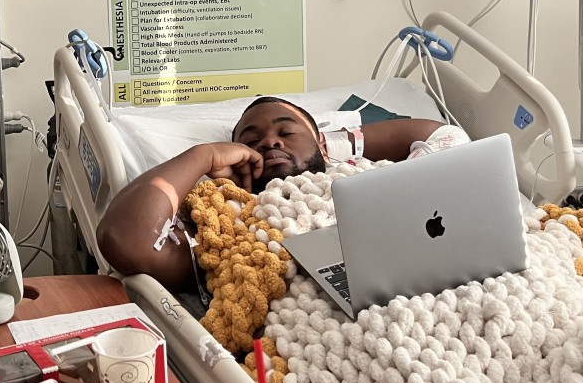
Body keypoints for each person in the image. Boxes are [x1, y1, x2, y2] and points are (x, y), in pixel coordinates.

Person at [96, 96, 460, 289]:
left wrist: (328, 147)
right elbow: (126, 239)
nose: (269, 140)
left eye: (287, 132)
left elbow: (445, 139)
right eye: (251, 141)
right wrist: (202, 156)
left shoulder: (368, 176)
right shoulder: (228, 227)